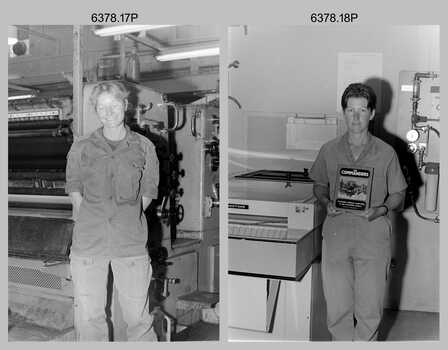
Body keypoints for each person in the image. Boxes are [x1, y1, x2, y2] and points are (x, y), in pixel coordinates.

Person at [310, 83, 407, 341]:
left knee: (369, 309)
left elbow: (399, 194)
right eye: (350, 110)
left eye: (362, 110)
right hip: (337, 236)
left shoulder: (387, 153)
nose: (355, 117)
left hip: (372, 236)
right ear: (343, 112)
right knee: (338, 309)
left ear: (372, 113)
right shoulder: (329, 150)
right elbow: (319, 184)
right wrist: (324, 200)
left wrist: (382, 208)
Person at [65, 81, 159, 341]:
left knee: (139, 321)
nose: (108, 112)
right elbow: (74, 188)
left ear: (125, 105)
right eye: (101, 107)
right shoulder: (81, 147)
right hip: (88, 245)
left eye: (114, 105)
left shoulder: (144, 147)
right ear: (95, 110)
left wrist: (125, 217)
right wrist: (94, 217)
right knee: (90, 320)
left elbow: (149, 193)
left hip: (130, 245)